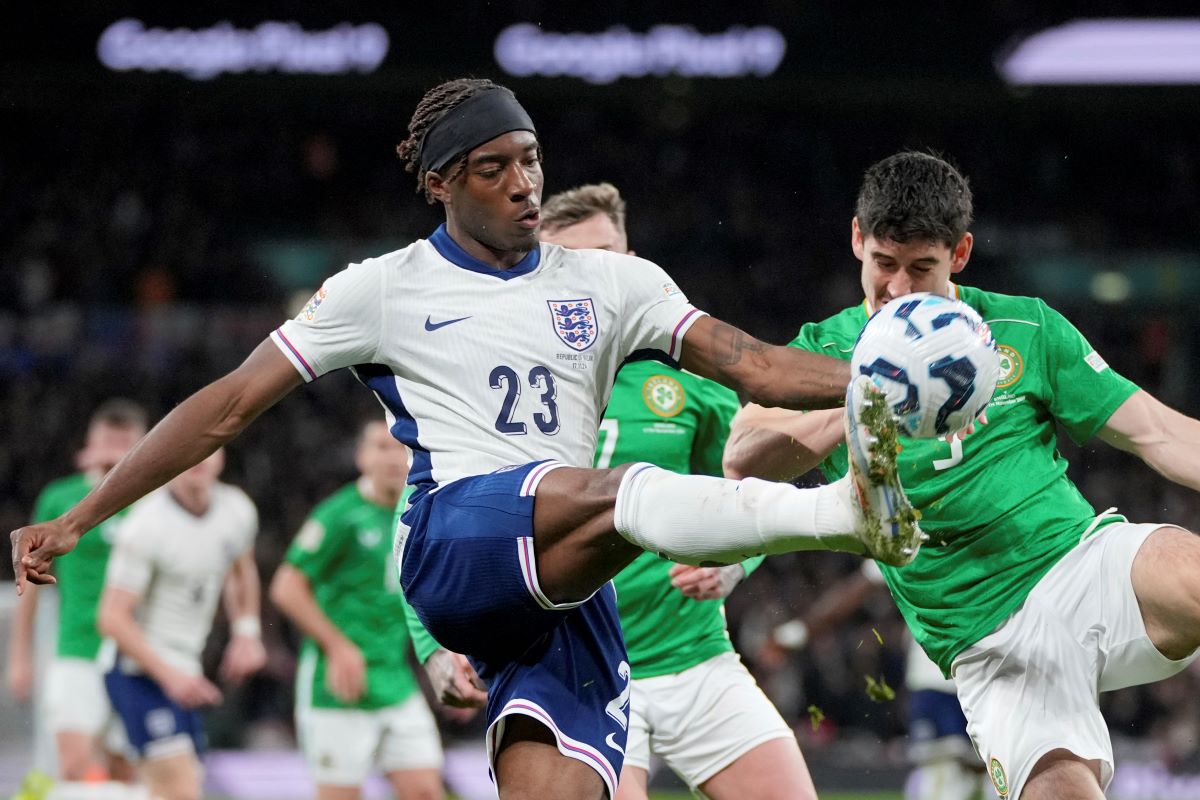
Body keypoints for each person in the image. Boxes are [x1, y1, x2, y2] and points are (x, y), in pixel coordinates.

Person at [12, 78, 921, 800]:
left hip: (558, 600)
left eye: (531, 160)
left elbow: (755, 365)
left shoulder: (612, 283)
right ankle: (843, 517)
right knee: (616, 489)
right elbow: (227, 407)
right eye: (495, 167)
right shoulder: (380, 289)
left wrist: (888, 380)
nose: (524, 183)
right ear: (441, 183)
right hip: (457, 542)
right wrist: (86, 514)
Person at [723, 150, 1200, 800]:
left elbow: (1160, 432)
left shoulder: (1022, 328)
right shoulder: (825, 350)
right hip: (986, 640)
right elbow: (742, 454)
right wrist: (874, 390)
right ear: (858, 240)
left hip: (1080, 565)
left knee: (1188, 566)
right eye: (883, 265)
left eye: (922, 268)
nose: (897, 288)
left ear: (961, 252)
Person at [539, 182, 815, 800]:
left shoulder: (686, 380)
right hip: (581, 668)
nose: (603, 270)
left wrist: (735, 566)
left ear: (633, 260)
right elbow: (425, 504)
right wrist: (436, 649)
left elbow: (751, 483)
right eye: (578, 260)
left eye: (612, 252)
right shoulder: (526, 385)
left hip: (695, 658)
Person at [270, 420, 444, 800]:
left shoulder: (420, 516)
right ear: (361, 457)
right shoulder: (341, 514)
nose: (393, 457)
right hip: (337, 686)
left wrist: (445, 659)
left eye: (400, 447)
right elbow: (286, 586)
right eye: (381, 447)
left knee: (427, 792)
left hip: (395, 681)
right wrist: (337, 646)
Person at [97, 450, 264, 800]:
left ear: (223, 452)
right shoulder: (146, 524)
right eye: (189, 447)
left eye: (208, 446)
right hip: (139, 672)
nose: (197, 457)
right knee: (180, 789)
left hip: (186, 671)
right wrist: (169, 674)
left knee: (159, 785)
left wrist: (247, 631)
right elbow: (112, 617)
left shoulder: (237, 510)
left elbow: (240, 568)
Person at [759, 561, 989, 800]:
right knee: (967, 778)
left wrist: (797, 632)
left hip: (954, 677)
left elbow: (859, 586)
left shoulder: (916, 532)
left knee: (952, 781)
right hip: (974, 676)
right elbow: (860, 586)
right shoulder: (932, 533)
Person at [5, 399, 147, 784]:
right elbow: (30, 584)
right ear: (88, 446)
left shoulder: (154, 501)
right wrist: (20, 657)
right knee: (74, 766)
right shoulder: (59, 499)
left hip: (136, 654)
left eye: (125, 442)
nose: (115, 450)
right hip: (76, 647)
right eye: (108, 440)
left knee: (125, 769)